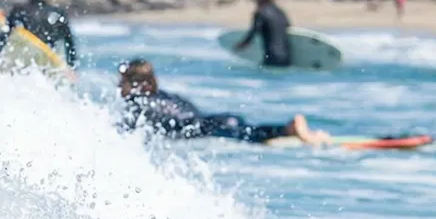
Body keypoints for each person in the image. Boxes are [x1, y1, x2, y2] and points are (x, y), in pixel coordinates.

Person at [115, 59, 328, 145]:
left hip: (215, 126)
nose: (119, 86)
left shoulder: (139, 103)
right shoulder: (164, 95)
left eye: (123, 82)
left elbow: (127, 130)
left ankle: (290, 129)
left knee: (250, 135)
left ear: (139, 85)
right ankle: (295, 130)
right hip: (218, 119)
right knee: (250, 131)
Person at [232, 0, 293, 68]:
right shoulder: (281, 12)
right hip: (287, 59)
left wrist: (238, 46)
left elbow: (252, 34)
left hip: (271, 58)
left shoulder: (260, 13)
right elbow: (289, 30)